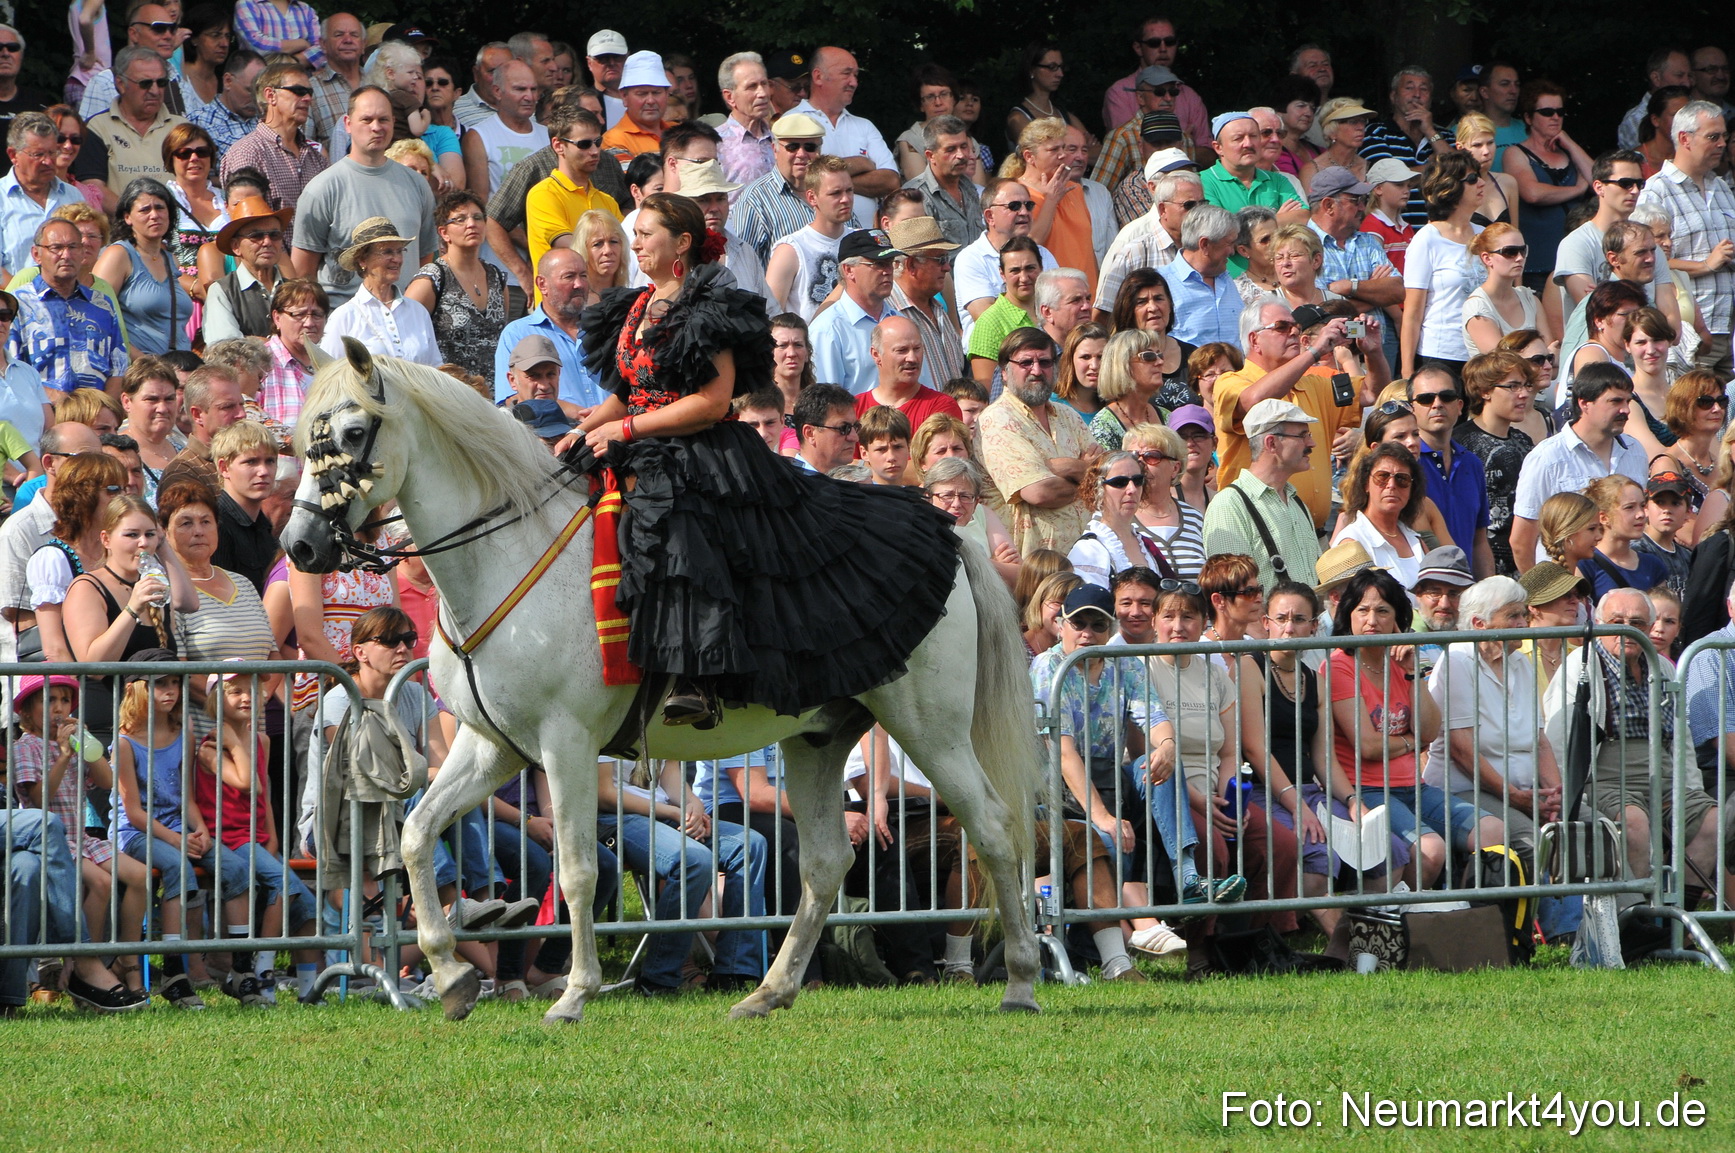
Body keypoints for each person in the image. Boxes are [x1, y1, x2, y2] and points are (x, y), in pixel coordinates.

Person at [558, 192, 960, 723]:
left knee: (683, 528)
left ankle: (699, 678)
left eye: (646, 233)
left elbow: (713, 402)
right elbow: (627, 392)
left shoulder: (708, 308)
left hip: (703, 449)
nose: (636, 243)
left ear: (681, 243)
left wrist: (625, 428)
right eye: (636, 234)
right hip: (641, 441)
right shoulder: (634, 306)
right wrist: (583, 429)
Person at [1329, 567, 1504, 889]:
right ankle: (1405, 914)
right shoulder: (1340, 665)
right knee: (1430, 850)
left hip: (1415, 786)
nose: (1372, 620)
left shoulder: (1404, 662)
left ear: (1398, 618)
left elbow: (1430, 730)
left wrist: (1413, 673)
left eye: (1383, 611)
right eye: (1363, 610)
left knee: (1494, 831)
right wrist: (1412, 742)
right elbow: (1369, 747)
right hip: (1368, 789)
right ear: (1348, 615)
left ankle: (1468, 910)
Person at [1546, 588, 1726, 888]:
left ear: (1649, 627)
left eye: (1637, 623)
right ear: (1599, 623)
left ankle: (1678, 908)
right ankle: (1638, 910)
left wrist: (1692, 788)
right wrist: (1564, 796)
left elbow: (1680, 739)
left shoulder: (1662, 667)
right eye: (1616, 622)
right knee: (1634, 823)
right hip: (1605, 781)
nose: (1626, 630)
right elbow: (1561, 738)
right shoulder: (1582, 665)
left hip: (1665, 778)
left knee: (1714, 821)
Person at [1423, 576, 1563, 865]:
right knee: (1533, 843)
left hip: (1524, 790)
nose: (1523, 624)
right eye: (1512, 616)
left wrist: (1557, 797)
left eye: (1523, 615)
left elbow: (1540, 742)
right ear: (1479, 624)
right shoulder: (1457, 661)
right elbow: (1462, 750)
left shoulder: (1520, 662)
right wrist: (1514, 796)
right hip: (1467, 791)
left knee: (1588, 828)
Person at [1213, 296, 1370, 531]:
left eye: (1296, 326)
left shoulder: (1313, 383)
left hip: (1314, 534)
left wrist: (1374, 352)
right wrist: (1315, 352)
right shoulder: (1230, 381)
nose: (1294, 332)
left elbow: (1370, 394)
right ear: (1255, 339)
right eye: (1281, 327)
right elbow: (1254, 402)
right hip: (1256, 532)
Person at [289, 85, 436, 309]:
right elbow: (302, 273)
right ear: (347, 124)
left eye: (383, 119)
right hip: (343, 320)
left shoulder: (417, 184)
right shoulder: (322, 189)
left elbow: (425, 258)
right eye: (366, 120)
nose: (376, 127)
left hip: (404, 317)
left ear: (393, 123)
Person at [976, 327, 1098, 556]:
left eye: (1045, 362)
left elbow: (1103, 475)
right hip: (1034, 566)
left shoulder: (1068, 415)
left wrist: (1069, 468)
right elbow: (1039, 492)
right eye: (1026, 363)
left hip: (1087, 559)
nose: (1037, 370)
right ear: (1004, 372)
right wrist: (1085, 473)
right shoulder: (997, 420)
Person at [1637, 101, 1735, 378]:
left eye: (1724, 136)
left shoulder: (1722, 187)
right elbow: (1644, 263)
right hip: (1692, 335)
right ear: (1684, 139)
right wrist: (1705, 265)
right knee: (1694, 403)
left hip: (1730, 330)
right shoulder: (1656, 191)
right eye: (1713, 136)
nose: (1722, 144)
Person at [1202, 397, 1323, 589]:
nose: (1312, 443)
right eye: (1302, 436)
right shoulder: (1229, 505)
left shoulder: (1296, 503)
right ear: (1271, 443)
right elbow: (1232, 595)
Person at [1496, 83, 1591, 295]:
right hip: (1538, 262)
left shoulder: (1569, 152)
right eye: (1547, 112)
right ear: (1528, 118)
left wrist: (1570, 143)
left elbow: (1601, 181)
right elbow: (1532, 193)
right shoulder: (1515, 153)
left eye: (1560, 112)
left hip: (1576, 259)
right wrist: (1577, 190)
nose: (1555, 117)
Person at [403, 189, 506, 380]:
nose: (471, 224)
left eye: (477, 217)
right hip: (448, 391)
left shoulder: (497, 277)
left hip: (493, 393)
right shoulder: (431, 279)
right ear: (444, 232)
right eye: (460, 219)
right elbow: (405, 339)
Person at [1401, 150, 1485, 377]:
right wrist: (1407, 372)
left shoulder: (1486, 235)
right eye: (1472, 179)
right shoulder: (1426, 240)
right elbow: (1412, 313)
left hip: (1484, 356)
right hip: (1441, 356)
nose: (1482, 183)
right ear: (1449, 187)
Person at [216, 60, 328, 227]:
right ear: (270, 95)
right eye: (298, 91)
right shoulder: (247, 153)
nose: (307, 98)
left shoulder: (315, 157)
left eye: (309, 92)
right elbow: (247, 227)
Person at [1457, 350, 1540, 575]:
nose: (1523, 394)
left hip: (1524, 561)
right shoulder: (1461, 443)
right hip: (1480, 564)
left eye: (1526, 385)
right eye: (1513, 386)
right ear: (1485, 391)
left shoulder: (1523, 441)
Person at [1407, 364, 1494, 577]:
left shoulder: (1472, 464)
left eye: (1446, 397)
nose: (1437, 404)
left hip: (1466, 587)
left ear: (1460, 405)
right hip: (1420, 585)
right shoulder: (1405, 466)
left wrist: (1488, 590)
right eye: (1426, 399)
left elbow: (1479, 541)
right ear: (1411, 409)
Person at [317, 216, 438, 366]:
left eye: (399, 251)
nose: (397, 259)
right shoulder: (345, 317)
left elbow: (436, 369)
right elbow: (328, 372)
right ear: (362, 260)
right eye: (387, 252)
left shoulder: (417, 312)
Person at [91, 177, 191, 355]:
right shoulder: (118, 255)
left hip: (179, 364)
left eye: (160, 207)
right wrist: (143, 360)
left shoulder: (171, 260)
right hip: (140, 366)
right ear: (127, 217)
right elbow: (96, 318)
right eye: (145, 210)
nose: (154, 215)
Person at [1092, 159, 1199, 320]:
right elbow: (1103, 311)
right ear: (1163, 209)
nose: (1198, 211)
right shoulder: (1134, 250)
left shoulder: (1205, 248)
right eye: (1189, 205)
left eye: (1202, 203)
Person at [1331, 442, 1429, 588]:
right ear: (1366, 484)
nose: (1391, 485)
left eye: (1402, 479)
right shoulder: (1352, 542)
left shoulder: (1415, 540)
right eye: (1382, 476)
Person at [1066, 450, 1163, 586]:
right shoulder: (1089, 550)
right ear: (1097, 489)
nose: (1132, 489)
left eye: (1137, 480)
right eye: (1120, 482)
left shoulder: (1147, 546)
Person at [200, 193, 286, 342]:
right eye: (256, 236)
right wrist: (278, 346)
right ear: (236, 246)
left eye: (274, 235)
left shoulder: (293, 289)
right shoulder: (222, 290)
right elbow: (224, 346)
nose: (267, 242)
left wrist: (248, 340)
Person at [1577, 474, 1671, 601]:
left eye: (1642, 505)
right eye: (1629, 507)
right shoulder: (1586, 564)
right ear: (1604, 518)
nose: (1641, 514)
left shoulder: (1652, 565)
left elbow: (1661, 610)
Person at [1462, 222, 1551, 355]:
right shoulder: (1478, 306)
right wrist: (1542, 356)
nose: (1519, 258)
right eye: (1510, 252)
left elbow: (1551, 352)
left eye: (1523, 250)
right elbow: (1502, 362)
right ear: (1487, 259)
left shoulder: (1530, 299)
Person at [965, 238, 1042, 385]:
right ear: (1002, 273)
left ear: (1041, 267)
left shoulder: (1052, 310)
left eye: (1030, 268)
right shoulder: (990, 323)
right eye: (1015, 271)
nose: (1024, 278)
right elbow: (985, 389)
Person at [1656, 369, 1726, 531]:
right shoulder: (1667, 464)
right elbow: (1679, 527)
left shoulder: (1723, 464)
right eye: (1706, 402)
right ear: (1683, 407)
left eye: (1721, 401)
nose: (1717, 408)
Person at [903, 114, 983, 250]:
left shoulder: (969, 188)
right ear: (930, 156)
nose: (961, 155)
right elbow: (916, 254)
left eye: (964, 146)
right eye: (951, 149)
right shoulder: (915, 196)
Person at [1088, 328, 1167, 451]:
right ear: (1123, 365)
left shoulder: (1167, 416)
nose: (1160, 361)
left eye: (1159, 355)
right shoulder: (1103, 426)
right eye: (1148, 356)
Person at [1451, 112, 1520, 230]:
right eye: (1477, 145)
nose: (1486, 151)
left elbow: (1515, 233)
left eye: (1490, 143)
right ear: (1461, 148)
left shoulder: (1508, 183)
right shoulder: (1452, 187)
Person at [1299, 98, 1376, 192]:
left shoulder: (1370, 169)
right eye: (1353, 122)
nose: (1361, 127)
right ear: (1332, 131)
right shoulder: (1312, 170)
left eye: (1363, 121)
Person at [1053, 321, 1106, 419]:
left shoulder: (1118, 408)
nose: (1094, 366)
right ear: (1070, 360)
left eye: (1101, 357)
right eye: (1086, 357)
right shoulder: (1050, 406)